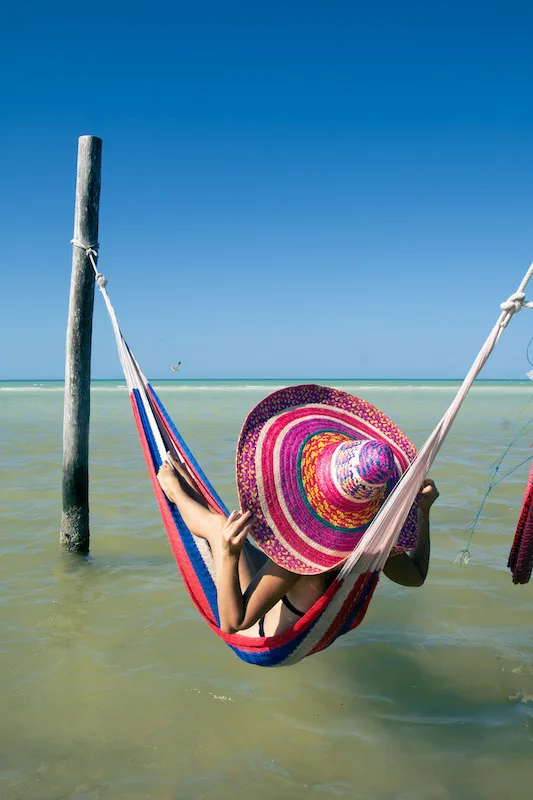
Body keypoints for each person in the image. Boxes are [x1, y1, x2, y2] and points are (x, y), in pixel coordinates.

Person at [157, 384, 439, 638]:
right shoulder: (376, 547)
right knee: (239, 531)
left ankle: (175, 491)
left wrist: (229, 556)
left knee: (221, 528)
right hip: (296, 612)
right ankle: (189, 485)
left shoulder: (301, 559)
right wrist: (423, 512)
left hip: (259, 631)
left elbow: (233, 623)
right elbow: (415, 577)